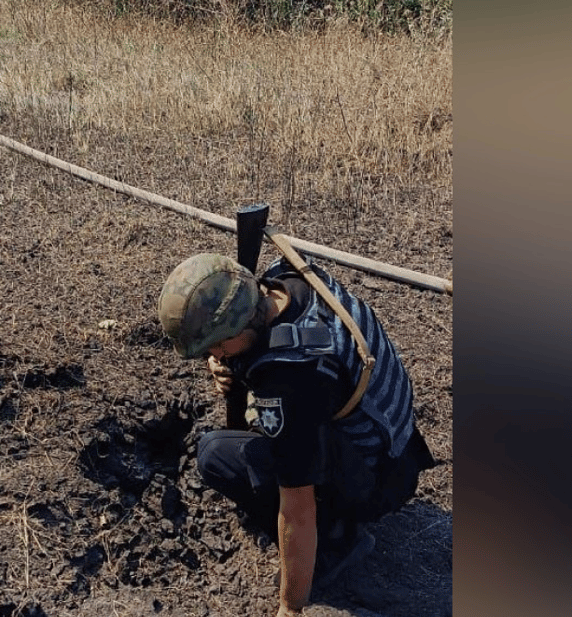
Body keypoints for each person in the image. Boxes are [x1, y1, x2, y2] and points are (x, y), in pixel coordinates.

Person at [158, 253, 437, 617]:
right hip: (397, 451)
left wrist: (290, 607)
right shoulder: (287, 276)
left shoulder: (293, 379)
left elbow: (297, 512)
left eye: (216, 346)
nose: (213, 356)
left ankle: (336, 541)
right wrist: (227, 359)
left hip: (375, 481)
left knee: (215, 455)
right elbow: (258, 349)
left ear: (238, 330)